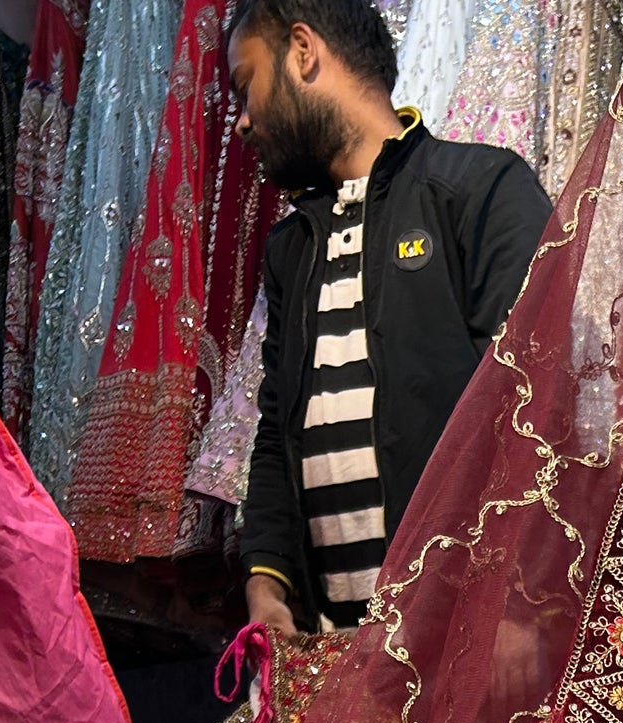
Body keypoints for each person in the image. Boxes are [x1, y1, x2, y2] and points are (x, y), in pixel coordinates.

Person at [227, 0, 551, 634]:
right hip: (335, 655)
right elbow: (276, 433)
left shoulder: (480, 189)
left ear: (302, 50)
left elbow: (532, 408)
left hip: (464, 640)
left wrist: (512, 608)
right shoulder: (292, 250)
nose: (242, 122)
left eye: (247, 87)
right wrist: (265, 588)